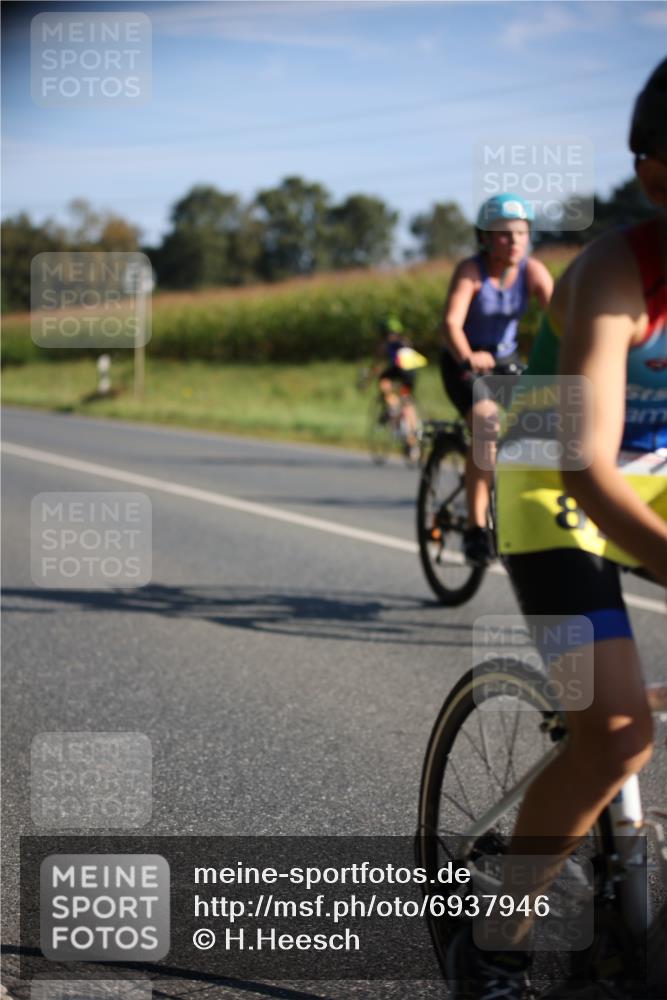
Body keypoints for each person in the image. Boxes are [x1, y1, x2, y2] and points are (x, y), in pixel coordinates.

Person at [448, 58, 667, 1000]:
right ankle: (494, 948)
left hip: (653, 476)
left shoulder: (550, 269)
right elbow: (585, 463)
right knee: (616, 738)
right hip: (555, 483)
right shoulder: (618, 271)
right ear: (658, 175)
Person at [440, 194, 553, 565]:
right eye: (504, 235)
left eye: (521, 233)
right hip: (465, 363)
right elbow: (451, 323)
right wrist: (468, 355)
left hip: (506, 363)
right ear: (486, 239)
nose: (515, 241)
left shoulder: (532, 271)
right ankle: (475, 528)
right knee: (486, 423)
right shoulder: (471, 271)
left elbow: (560, 320)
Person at [372, 314, 422, 461]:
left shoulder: (385, 343)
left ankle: (392, 405)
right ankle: (412, 443)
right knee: (407, 402)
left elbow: (376, 366)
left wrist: (367, 379)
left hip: (400, 370)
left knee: (383, 380)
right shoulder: (406, 342)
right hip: (411, 373)